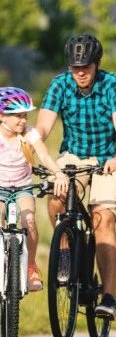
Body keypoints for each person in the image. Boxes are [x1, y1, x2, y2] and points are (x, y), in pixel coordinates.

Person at [35, 34, 116, 320]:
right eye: (75, 67)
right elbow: (43, 126)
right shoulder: (59, 85)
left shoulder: (112, 84)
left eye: (86, 67)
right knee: (57, 197)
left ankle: (109, 296)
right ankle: (65, 253)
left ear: (96, 64)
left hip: (108, 159)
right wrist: (36, 141)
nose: (80, 72)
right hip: (74, 156)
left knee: (102, 217)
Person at [0, 87, 68, 291]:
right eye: (17, 116)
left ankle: (30, 267)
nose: (23, 120)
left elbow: (45, 157)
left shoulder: (29, 134)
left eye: (24, 115)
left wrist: (58, 173)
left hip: (22, 188)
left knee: (29, 221)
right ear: (2, 116)